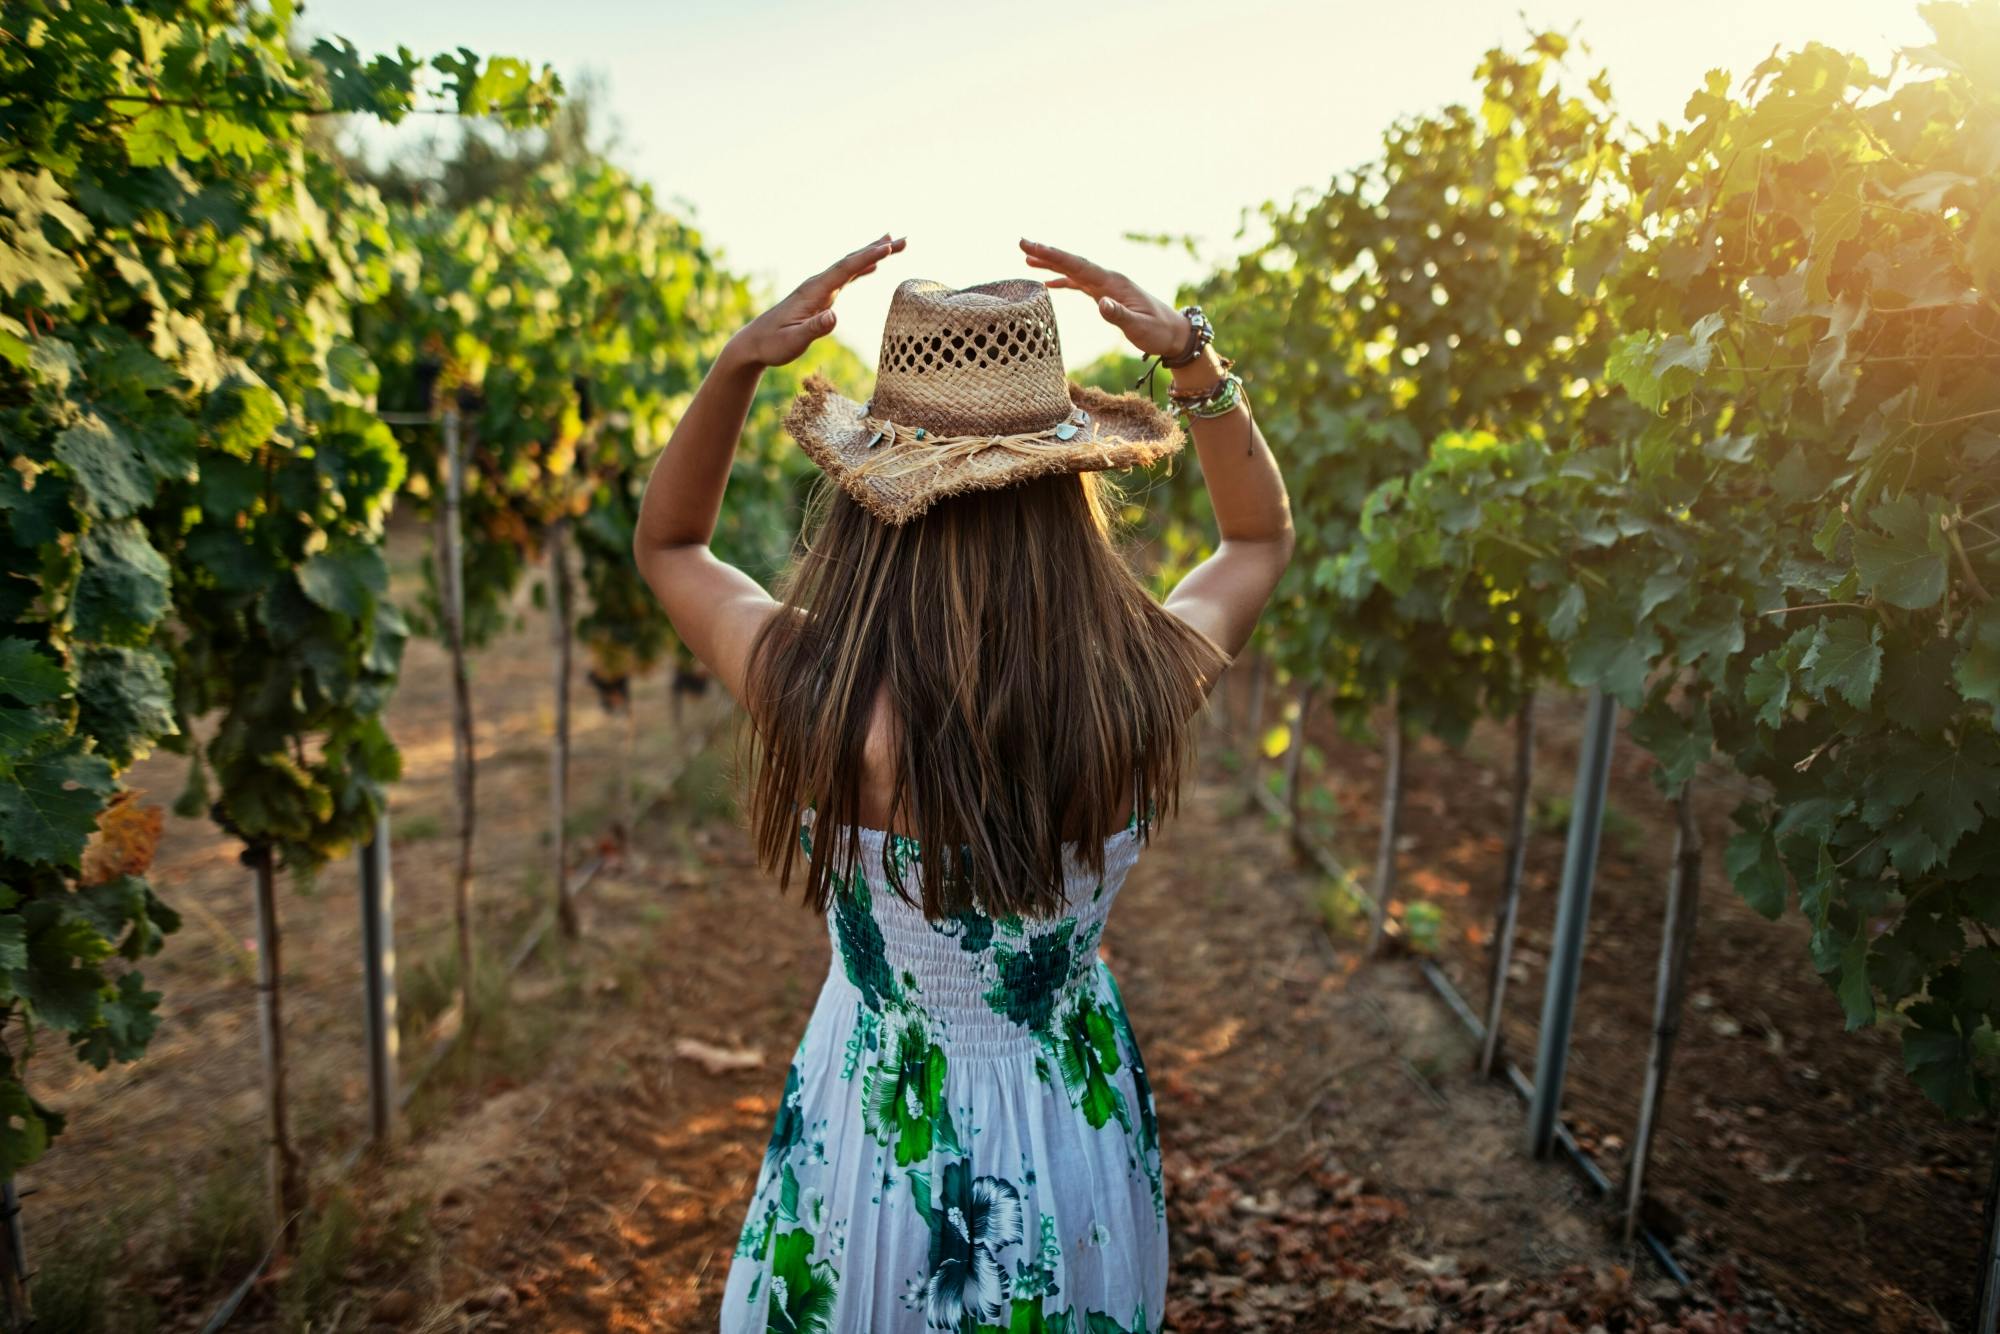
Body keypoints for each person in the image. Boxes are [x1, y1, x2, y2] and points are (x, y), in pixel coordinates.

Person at [633, 235, 1292, 1333]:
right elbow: (1257, 537)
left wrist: (739, 363)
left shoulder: (819, 695)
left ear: (871, 496)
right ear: (1068, 491)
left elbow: (670, 544)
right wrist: (1193, 363)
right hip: (1065, 1129)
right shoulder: (1134, 689)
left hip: (870, 1123)